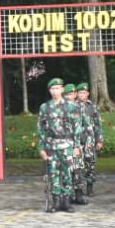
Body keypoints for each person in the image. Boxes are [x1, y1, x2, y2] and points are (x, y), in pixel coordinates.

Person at [36, 77, 82, 212]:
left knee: (67, 173)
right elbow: (41, 128)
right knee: (54, 174)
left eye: (57, 88)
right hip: (51, 145)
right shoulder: (45, 107)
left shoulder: (71, 106)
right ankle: (56, 202)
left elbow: (77, 128)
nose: (55, 91)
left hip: (67, 145)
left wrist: (76, 146)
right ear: (49, 90)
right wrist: (41, 147)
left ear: (62, 89)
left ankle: (66, 201)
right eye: (52, 89)